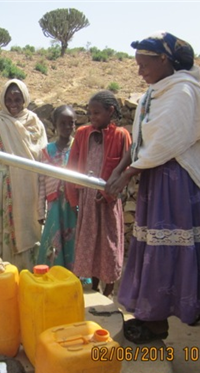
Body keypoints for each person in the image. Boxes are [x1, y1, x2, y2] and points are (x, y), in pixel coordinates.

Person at [105, 31, 200, 344]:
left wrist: (128, 172)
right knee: (153, 249)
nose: (140, 70)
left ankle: (158, 320)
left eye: (144, 64)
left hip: (176, 182)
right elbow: (142, 138)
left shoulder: (183, 92)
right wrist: (120, 168)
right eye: (137, 64)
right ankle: (151, 318)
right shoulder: (152, 94)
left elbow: (165, 141)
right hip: (156, 178)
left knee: (166, 249)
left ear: (165, 60)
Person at [66, 91, 132, 297]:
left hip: (108, 202)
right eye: (90, 113)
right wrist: (73, 198)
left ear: (110, 111)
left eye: (96, 113)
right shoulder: (83, 134)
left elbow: (125, 169)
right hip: (87, 199)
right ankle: (93, 289)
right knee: (90, 244)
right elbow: (73, 165)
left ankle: (108, 291)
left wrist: (109, 195)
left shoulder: (121, 135)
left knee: (108, 245)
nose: (92, 117)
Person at [0, 79, 48, 270]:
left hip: (29, 185)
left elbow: (42, 154)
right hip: (2, 185)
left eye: (18, 99)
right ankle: (3, 271)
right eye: (9, 99)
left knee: (29, 225)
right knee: (4, 226)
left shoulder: (34, 122)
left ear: (25, 99)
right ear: (2, 99)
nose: (13, 104)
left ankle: (27, 270)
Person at [36, 105, 77, 270]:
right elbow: (41, 181)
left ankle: (77, 278)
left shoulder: (78, 148)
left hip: (74, 205)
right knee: (53, 240)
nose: (67, 127)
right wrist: (40, 210)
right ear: (55, 125)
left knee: (74, 240)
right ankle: (53, 275)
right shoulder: (46, 151)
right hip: (54, 205)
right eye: (63, 123)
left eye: (71, 123)